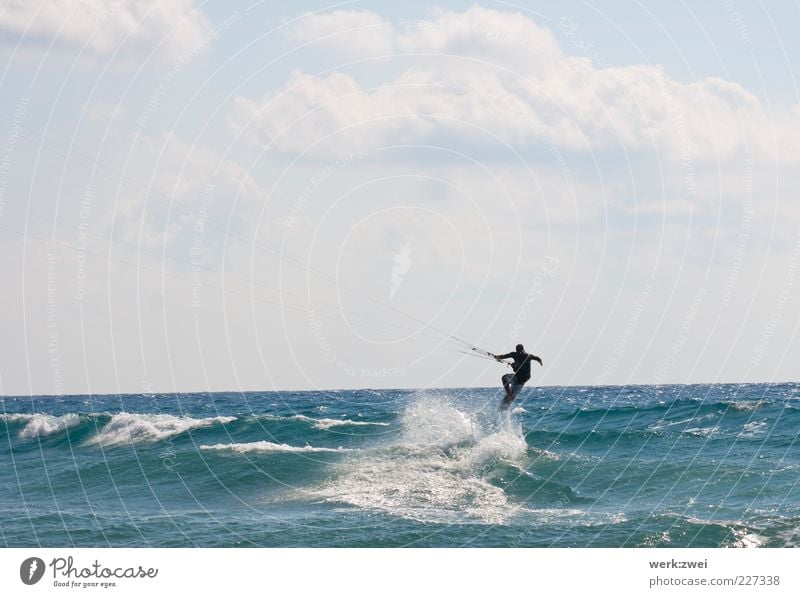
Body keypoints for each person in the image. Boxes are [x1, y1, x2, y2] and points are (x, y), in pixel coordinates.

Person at [492, 344, 542, 410]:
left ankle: (509, 395)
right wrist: (540, 361)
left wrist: (496, 357)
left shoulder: (514, 354)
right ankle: (507, 402)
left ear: (516, 350)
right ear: (523, 349)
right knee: (508, 401)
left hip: (518, 378)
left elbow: (503, 356)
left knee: (504, 378)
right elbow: (537, 358)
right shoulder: (529, 356)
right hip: (523, 380)